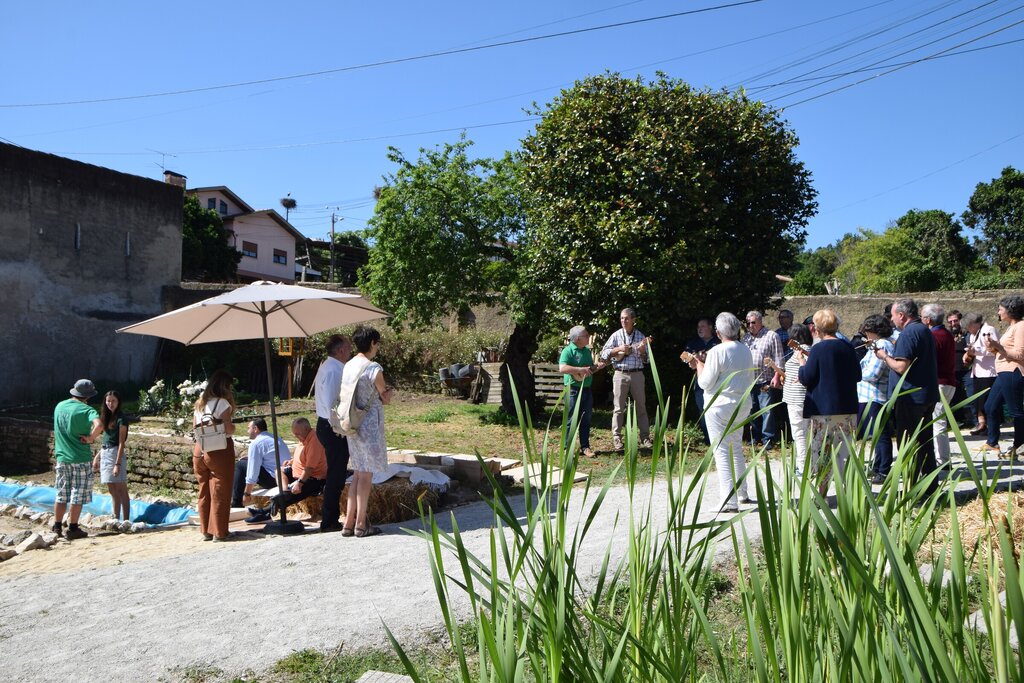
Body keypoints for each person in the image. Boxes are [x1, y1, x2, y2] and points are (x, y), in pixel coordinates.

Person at [687, 312, 755, 513]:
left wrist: (699, 364)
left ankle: (729, 500)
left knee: (722, 451)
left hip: (720, 405)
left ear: (717, 332)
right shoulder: (745, 349)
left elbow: (705, 382)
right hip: (742, 403)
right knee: (736, 447)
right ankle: (742, 492)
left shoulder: (717, 351)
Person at [874, 299, 939, 494]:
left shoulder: (909, 332)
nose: (892, 320)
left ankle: (913, 489)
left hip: (911, 397)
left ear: (901, 315)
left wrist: (884, 356)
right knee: (924, 444)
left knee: (909, 445)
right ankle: (928, 487)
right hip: (924, 395)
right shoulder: (923, 330)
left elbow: (901, 367)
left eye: (893, 315)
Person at [798, 309, 861, 492]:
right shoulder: (847, 346)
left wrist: (802, 363)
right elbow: (858, 375)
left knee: (822, 452)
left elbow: (807, 378)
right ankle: (849, 492)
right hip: (847, 407)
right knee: (845, 452)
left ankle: (822, 493)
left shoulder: (818, 348)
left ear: (816, 329)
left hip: (823, 409)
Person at [342, 325, 394, 537]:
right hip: (369, 424)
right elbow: (385, 397)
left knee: (357, 473)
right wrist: (389, 392)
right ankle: (361, 523)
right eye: (377, 343)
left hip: (352, 423)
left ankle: (348, 522)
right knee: (366, 475)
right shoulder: (373, 367)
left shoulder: (348, 365)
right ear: (372, 343)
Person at [245, 417, 327, 522]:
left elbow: (310, 468)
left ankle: (265, 512)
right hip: (298, 472)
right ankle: (283, 493)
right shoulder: (304, 437)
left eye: (297, 434)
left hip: (312, 477)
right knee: (279, 471)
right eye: (294, 434)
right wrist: (292, 461)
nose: (296, 436)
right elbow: (303, 456)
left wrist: (300, 483)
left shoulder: (314, 442)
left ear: (307, 429)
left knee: (293, 494)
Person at [52, 379, 104, 540]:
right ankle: (73, 528)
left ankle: (57, 525)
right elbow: (100, 425)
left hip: (62, 457)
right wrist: (90, 438)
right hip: (80, 458)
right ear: (88, 396)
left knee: (61, 494)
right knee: (78, 494)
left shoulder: (59, 406)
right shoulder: (87, 410)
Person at [313, 334, 352, 532]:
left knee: (337, 473)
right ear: (340, 350)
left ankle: (330, 518)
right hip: (331, 426)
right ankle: (329, 521)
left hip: (328, 424)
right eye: (348, 347)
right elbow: (331, 404)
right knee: (336, 475)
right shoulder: (333, 370)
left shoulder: (329, 366)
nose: (350, 350)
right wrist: (339, 428)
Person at [192, 370, 236, 541]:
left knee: (203, 491)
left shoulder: (199, 404)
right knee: (220, 491)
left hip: (200, 449)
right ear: (225, 386)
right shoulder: (223, 403)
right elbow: (227, 428)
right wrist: (234, 428)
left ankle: (205, 531)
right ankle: (219, 532)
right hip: (219, 450)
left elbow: (195, 427)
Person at [599, 308, 651, 451]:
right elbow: (603, 353)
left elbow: (647, 360)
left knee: (641, 406)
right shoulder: (616, 335)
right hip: (620, 374)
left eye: (627, 318)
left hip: (637, 374)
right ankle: (617, 439)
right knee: (618, 408)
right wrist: (618, 349)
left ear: (633, 320)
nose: (624, 321)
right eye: (622, 318)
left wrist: (642, 352)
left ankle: (645, 438)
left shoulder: (641, 336)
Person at [980, 295, 1024, 458]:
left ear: (1010, 310)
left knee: (1015, 410)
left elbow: (1020, 354)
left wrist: (997, 345)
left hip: (1013, 370)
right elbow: (1006, 351)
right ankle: (992, 442)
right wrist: (993, 347)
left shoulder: (1020, 326)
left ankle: (1020, 447)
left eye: (1000, 309)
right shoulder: (1011, 327)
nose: (998, 312)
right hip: (1003, 371)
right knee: (990, 406)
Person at [858, 315, 896, 483]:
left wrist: (855, 373)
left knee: (880, 434)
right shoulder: (877, 344)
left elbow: (873, 374)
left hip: (875, 396)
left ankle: (883, 470)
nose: (865, 335)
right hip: (870, 396)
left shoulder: (882, 345)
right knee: (876, 434)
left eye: (867, 331)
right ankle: (878, 466)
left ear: (874, 331)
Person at [559, 325, 605, 458]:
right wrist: (579, 370)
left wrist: (599, 367)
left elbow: (588, 370)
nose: (588, 337)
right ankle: (567, 448)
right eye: (586, 335)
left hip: (586, 389)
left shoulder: (586, 351)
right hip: (572, 390)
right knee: (570, 419)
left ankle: (585, 447)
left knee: (586, 419)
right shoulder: (568, 351)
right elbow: (562, 368)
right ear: (578, 338)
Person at [742, 310, 784, 449]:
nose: (750, 325)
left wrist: (777, 376)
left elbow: (779, 358)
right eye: (748, 323)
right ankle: (755, 437)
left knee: (767, 410)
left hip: (765, 379)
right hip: (749, 380)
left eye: (753, 322)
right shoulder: (746, 338)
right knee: (752, 409)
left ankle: (768, 439)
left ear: (760, 322)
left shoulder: (771, 336)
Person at [922, 303, 956, 468]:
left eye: (922, 317)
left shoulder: (935, 336)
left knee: (938, 423)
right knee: (939, 422)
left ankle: (943, 460)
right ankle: (942, 459)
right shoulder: (946, 334)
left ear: (928, 320)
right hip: (947, 382)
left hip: (940, 383)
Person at [234, 418, 289, 510]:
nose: (247, 431)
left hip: (273, 480)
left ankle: (236, 503)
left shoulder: (256, 443)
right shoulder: (276, 438)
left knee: (241, 465)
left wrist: (247, 494)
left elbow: (253, 473)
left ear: (255, 428)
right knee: (245, 463)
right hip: (285, 476)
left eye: (249, 428)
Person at [93, 390, 130, 521]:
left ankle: (126, 520)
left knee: (121, 488)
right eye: (108, 401)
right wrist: (98, 457)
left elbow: (121, 443)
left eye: (113, 401)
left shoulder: (121, 419)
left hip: (115, 453)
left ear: (118, 402)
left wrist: (117, 464)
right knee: (111, 488)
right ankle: (116, 517)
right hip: (105, 452)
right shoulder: (106, 417)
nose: (110, 403)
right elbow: (106, 440)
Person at [682, 317, 720, 444]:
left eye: (702, 326)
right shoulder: (693, 343)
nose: (699, 329)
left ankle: (719, 437)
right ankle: (708, 439)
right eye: (698, 327)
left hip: (717, 381)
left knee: (716, 409)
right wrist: (690, 359)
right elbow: (684, 357)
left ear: (710, 327)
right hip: (700, 381)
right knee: (703, 409)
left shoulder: (719, 342)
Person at [781, 323, 812, 472]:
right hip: (799, 397)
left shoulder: (803, 351)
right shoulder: (806, 350)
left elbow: (805, 371)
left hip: (797, 398)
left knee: (799, 433)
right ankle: (808, 464)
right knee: (806, 433)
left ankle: (803, 466)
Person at [962, 312, 998, 436]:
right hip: (977, 372)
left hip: (989, 371)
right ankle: (981, 423)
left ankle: (990, 426)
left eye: (968, 326)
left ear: (974, 324)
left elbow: (994, 350)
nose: (967, 329)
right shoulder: (973, 335)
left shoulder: (988, 330)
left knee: (987, 401)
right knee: (978, 401)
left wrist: (975, 352)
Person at [947, 310, 971, 427]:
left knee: (971, 395)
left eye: (955, 320)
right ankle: (959, 420)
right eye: (950, 321)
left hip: (967, 370)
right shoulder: (947, 335)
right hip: (952, 371)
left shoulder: (968, 335)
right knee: (955, 397)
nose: (953, 324)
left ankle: (976, 420)